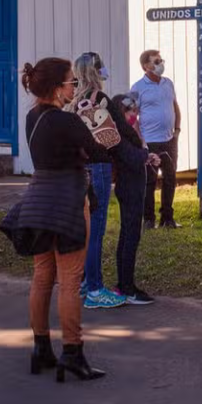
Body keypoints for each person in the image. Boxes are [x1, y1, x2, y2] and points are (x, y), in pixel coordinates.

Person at [0, 58, 107, 382]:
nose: (75, 86)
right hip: (68, 200)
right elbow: (98, 152)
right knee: (70, 280)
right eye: (72, 82)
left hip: (37, 200)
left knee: (43, 275)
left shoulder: (32, 117)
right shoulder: (67, 121)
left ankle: (41, 348)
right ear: (57, 87)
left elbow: (54, 152)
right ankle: (72, 352)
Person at [70, 52, 127, 310]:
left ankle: (85, 281)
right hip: (100, 166)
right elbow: (120, 131)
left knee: (86, 228)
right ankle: (95, 289)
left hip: (81, 168)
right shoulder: (100, 98)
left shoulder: (74, 100)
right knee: (96, 229)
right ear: (95, 71)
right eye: (101, 66)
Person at [109, 92, 158, 304]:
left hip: (133, 187)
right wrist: (146, 155)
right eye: (130, 112)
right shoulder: (119, 134)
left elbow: (138, 152)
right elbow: (131, 156)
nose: (134, 115)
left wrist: (146, 154)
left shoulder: (130, 132)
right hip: (129, 188)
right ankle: (126, 287)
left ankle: (125, 283)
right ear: (121, 113)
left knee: (128, 235)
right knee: (130, 237)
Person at [131, 50, 182, 229]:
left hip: (169, 140)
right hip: (149, 141)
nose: (161, 64)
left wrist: (177, 131)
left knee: (170, 178)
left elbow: (175, 106)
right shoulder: (137, 87)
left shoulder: (168, 83)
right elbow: (131, 116)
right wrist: (140, 140)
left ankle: (167, 218)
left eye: (161, 60)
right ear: (146, 66)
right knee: (149, 181)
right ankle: (148, 219)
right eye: (156, 61)